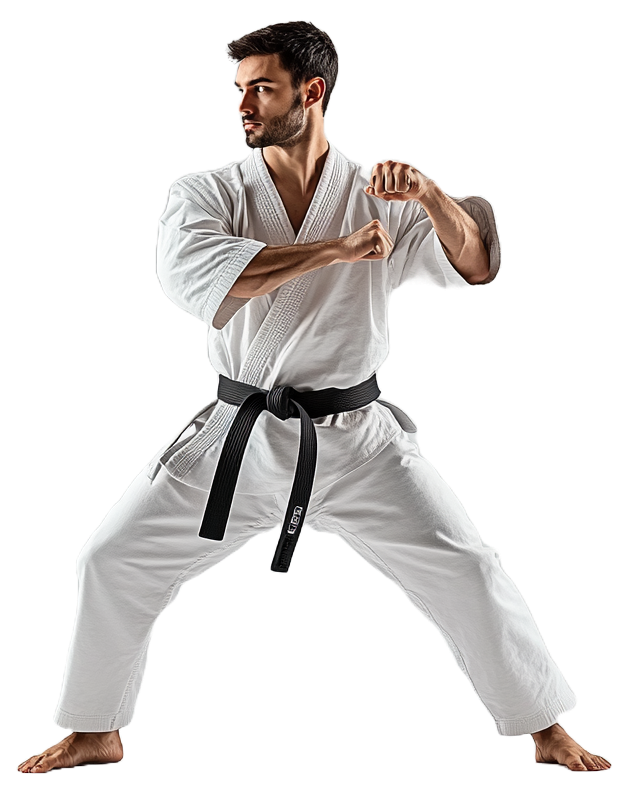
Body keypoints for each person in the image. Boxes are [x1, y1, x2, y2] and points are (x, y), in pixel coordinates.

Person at [17, 19, 612, 774]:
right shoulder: (207, 191)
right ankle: (95, 728)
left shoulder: (379, 194)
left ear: (312, 91)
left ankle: (546, 728)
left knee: (468, 569)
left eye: (261, 89)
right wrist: (337, 249)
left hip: (360, 442)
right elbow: (211, 281)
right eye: (239, 90)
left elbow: (472, 265)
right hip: (239, 434)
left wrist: (430, 194)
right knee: (112, 558)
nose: (244, 105)